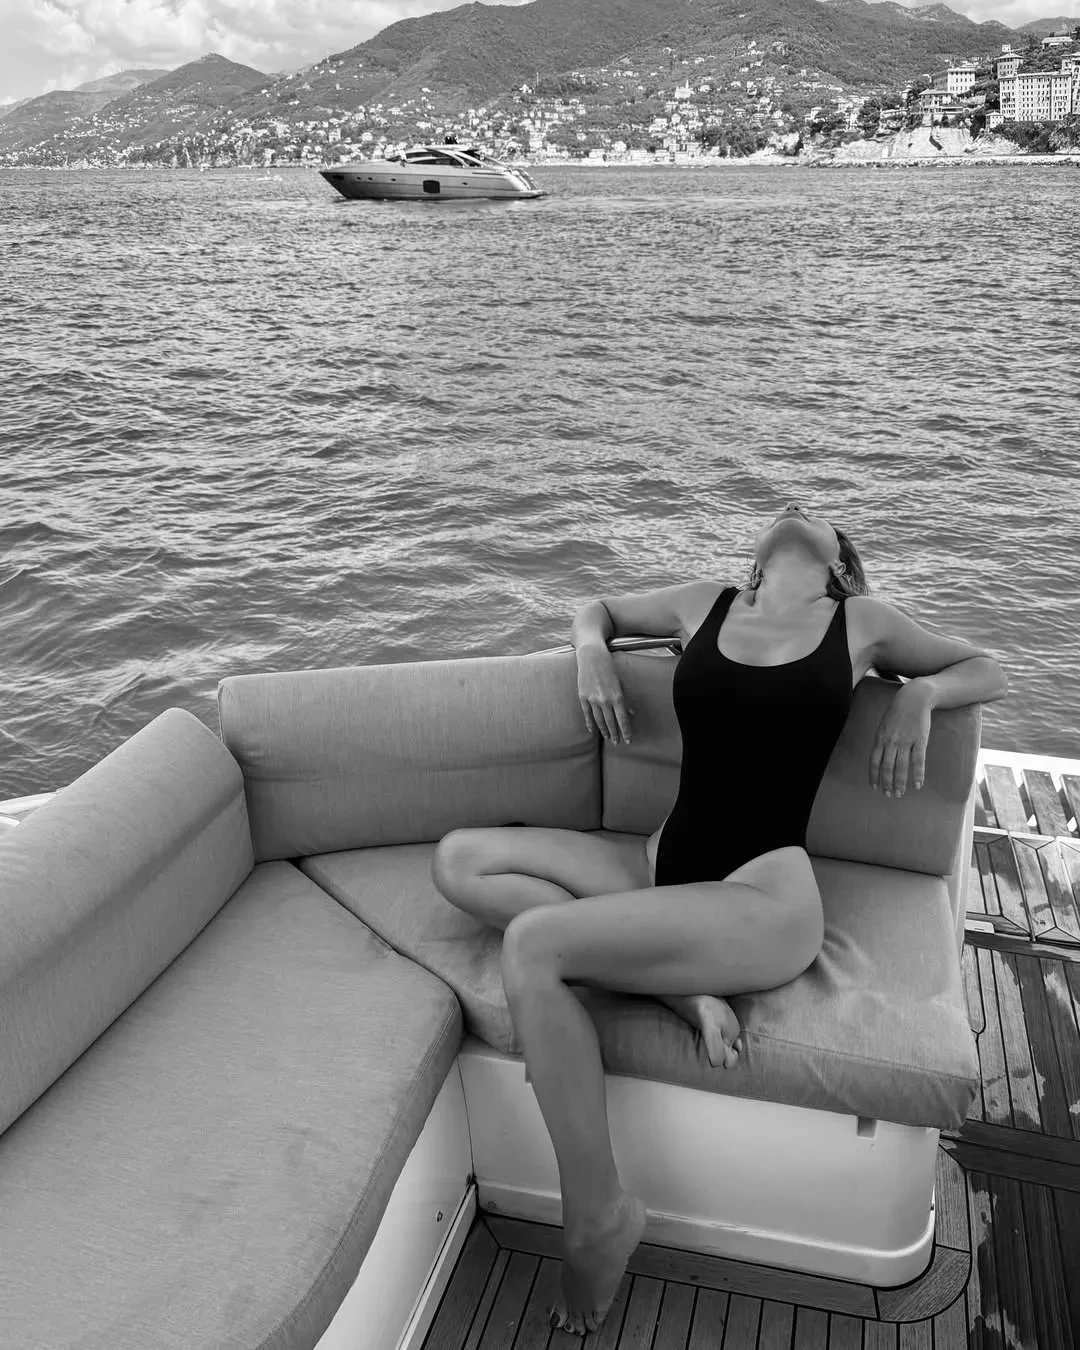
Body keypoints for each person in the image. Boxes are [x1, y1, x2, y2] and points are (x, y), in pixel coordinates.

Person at [430, 502, 1008, 1336]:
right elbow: (597, 610)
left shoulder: (860, 622)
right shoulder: (706, 603)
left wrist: (921, 693)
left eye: (817, 515)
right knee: (460, 860)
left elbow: (988, 668)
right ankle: (678, 989)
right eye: (784, 510)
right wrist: (590, 653)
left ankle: (597, 1214)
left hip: (762, 896)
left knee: (533, 945)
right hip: (659, 863)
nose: (796, 508)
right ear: (757, 558)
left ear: (839, 564)